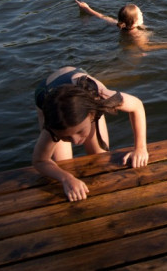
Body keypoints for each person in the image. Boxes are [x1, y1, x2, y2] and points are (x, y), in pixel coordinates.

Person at [32, 66, 148, 201]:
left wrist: (140, 148)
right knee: (63, 165)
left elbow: (137, 106)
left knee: (99, 157)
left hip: (81, 89)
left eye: (79, 132)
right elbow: (40, 160)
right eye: (66, 136)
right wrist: (66, 178)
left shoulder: (101, 97)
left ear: (92, 115)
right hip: (46, 93)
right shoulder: (54, 122)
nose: (75, 141)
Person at [75, 0, 167, 51]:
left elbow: (102, 16)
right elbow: (145, 48)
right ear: (135, 22)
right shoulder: (137, 36)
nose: (142, 14)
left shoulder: (117, 24)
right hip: (134, 51)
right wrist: (166, 45)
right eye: (140, 13)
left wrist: (87, 9)